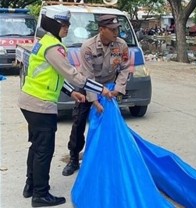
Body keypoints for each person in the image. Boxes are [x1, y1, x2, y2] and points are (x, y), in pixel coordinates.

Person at [18, 7, 112, 207]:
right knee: (44, 149)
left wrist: (71, 92)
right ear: (53, 24)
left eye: (68, 24)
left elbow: (54, 75)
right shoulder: (54, 47)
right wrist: (100, 88)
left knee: (36, 146)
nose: (67, 28)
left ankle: (31, 185)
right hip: (40, 104)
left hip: (29, 100)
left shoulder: (43, 43)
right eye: (64, 24)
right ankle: (40, 195)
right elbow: (72, 74)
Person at [62, 14, 131, 176]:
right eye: (112, 30)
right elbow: (88, 76)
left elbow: (125, 68)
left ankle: (107, 157)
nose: (116, 33)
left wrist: (118, 89)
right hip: (87, 86)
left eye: (117, 29)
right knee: (79, 122)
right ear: (102, 30)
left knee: (110, 122)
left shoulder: (121, 45)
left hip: (109, 88)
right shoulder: (88, 47)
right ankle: (73, 159)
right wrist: (94, 101)